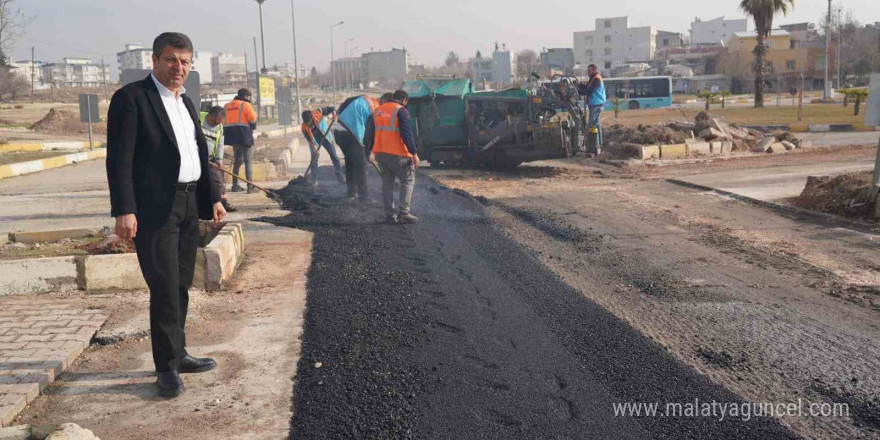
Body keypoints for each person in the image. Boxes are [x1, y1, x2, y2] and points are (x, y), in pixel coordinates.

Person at [106, 32, 225, 398]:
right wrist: (124, 209)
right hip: (154, 209)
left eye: (185, 61)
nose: (179, 68)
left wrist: (213, 198)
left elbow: (196, 155)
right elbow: (119, 159)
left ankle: (179, 352)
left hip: (189, 205)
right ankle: (166, 368)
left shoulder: (186, 102)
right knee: (164, 287)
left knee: (181, 283)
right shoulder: (132, 100)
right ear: (155, 61)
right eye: (172, 60)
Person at [364, 89, 420, 224]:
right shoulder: (401, 110)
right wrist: (414, 153)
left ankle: (389, 215)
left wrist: (369, 152)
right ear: (404, 100)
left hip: (381, 155)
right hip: (398, 154)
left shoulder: (377, 111)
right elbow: (407, 133)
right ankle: (404, 212)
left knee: (387, 184)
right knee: (408, 180)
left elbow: (369, 134)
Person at [334, 95, 380, 202]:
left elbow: (344, 105)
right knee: (361, 166)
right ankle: (364, 197)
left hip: (339, 132)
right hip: (351, 134)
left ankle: (351, 192)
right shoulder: (375, 108)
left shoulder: (363, 99)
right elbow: (370, 133)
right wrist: (370, 152)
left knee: (350, 162)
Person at [199, 106, 237, 213]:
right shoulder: (198, 118)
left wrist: (219, 159)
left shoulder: (220, 126)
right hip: (197, 157)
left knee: (218, 180)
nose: (219, 123)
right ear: (210, 116)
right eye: (217, 120)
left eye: (221, 121)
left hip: (211, 159)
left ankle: (223, 202)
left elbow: (220, 144)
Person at [223, 88, 258, 193]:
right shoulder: (245, 105)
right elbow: (252, 119)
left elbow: (222, 120)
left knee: (237, 161)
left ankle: (235, 186)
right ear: (246, 96)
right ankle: (250, 187)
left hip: (232, 137)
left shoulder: (226, 106)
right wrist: (253, 125)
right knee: (248, 161)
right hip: (244, 136)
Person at [301, 107, 345, 186]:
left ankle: (340, 179)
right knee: (314, 159)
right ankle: (314, 181)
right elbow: (309, 139)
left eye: (310, 121)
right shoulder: (304, 126)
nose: (309, 124)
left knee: (334, 157)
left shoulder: (318, 113)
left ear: (312, 117)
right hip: (314, 140)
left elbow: (331, 109)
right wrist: (314, 147)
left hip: (326, 137)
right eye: (307, 122)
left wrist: (334, 114)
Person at [581, 64, 606, 152]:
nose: (588, 73)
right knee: (597, 124)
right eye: (588, 71)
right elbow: (587, 88)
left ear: (594, 70)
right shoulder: (593, 79)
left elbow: (589, 91)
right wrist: (579, 85)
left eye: (589, 71)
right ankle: (599, 144)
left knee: (592, 125)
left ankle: (594, 146)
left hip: (596, 105)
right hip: (595, 104)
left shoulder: (596, 80)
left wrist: (579, 91)